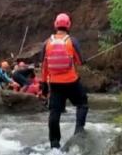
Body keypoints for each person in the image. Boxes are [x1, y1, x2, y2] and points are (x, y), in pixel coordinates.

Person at [41, 13, 88, 149]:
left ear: (56, 25)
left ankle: (54, 144)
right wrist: (81, 60)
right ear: (68, 25)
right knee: (82, 103)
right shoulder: (72, 41)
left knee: (54, 112)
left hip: (55, 84)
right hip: (72, 81)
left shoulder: (46, 43)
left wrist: (44, 85)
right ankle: (79, 131)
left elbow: (44, 66)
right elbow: (79, 61)